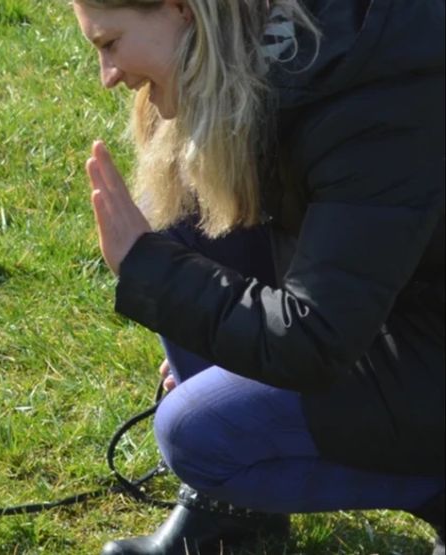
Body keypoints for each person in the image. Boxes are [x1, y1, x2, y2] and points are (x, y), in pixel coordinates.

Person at [71, 1, 445, 554]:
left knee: (196, 430)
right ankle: (236, 522)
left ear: (182, 11)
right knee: (179, 209)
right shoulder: (282, 50)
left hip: (421, 333)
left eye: (110, 44)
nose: (108, 77)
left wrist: (154, 274)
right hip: (398, 300)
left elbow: (315, 339)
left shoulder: (373, 95)